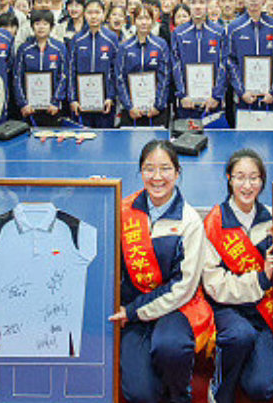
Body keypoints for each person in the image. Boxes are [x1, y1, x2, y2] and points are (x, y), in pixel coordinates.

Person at [111, 140, 212, 403]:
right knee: (139, 394)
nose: (157, 177)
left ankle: (180, 395)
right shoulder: (121, 210)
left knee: (171, 347)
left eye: (165, 169)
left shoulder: (189, 221)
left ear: (177, 173)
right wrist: (97, 194)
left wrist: (133, 312)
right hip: (133, 309)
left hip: (175, 307)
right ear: (140, 172)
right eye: (149, 169)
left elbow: (184, 286)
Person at [201, 150, 273, 403]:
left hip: (263, 310)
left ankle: (242, 362)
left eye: (254, 178)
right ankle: (219, 389)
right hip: (227, 308)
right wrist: (261, 279)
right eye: (240, 177)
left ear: (262, 181)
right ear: (229, 179)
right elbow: (214, 284)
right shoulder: (214, 222)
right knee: (239, 336)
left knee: (262, 389)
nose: (247, 185)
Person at [226, 0, 273, 125]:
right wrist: (241, 91)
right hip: (244, 97)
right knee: (245, 141)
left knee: (271, 142)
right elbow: (230, 61)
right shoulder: (234, 27)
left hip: (270, 97)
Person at [171, 0, 228, 126]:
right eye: (194, 2)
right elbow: (175, 65)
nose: (198, 7)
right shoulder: (179, 33)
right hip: (187, 103)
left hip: (212, 103)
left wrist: (216, 96)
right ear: (188, 4)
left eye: (202, 2)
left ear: (208, 4)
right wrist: (182, 95)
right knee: (186, 142)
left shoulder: (219, 32)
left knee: (215, 142)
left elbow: (224, 65)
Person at [116, 3, 171, 127]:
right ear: (134, 21)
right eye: (140, 18)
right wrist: (129, 106)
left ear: (153, 21)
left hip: (156, 111)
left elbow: (165, 76)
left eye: (147, 18)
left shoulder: (161, 45)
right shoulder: (124, 47)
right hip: (132, 111)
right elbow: (120, 78)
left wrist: (158, 105)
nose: (144, 22)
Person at [68, 0, 118, 128]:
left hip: (105, 102)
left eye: (97, 12)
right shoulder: (77, 39)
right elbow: (71, 70)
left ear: (103, 14)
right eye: (90, 12)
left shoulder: (111, 38)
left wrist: (111, 97)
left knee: (105, 140)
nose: (93, 16)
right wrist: (73, 98)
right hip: (81, 102)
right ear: (84, 14)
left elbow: (115, 70)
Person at [13, 10, 69, 127]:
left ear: (51, 26)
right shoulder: (24, 49)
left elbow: (64, 76)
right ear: (32, 26)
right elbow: (17, 77)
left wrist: (56, 102)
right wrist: (23, 103)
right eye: (37, 23)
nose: (41, 27)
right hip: (29, 108)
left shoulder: (59, 48)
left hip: (52, 108)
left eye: (45, 24)